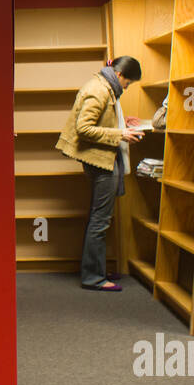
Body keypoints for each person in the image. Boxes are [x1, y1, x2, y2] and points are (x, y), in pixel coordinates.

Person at [55, 55, 144, 292]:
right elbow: (84, 128)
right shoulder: (100, 89)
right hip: (101, 162)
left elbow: (104, 117)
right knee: (100, 219)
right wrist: (121, 134)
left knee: (99, 218)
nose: (127, 87)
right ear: (121, 75)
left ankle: (97, 270)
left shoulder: (104, 85)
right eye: (129, 82)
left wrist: (123, 122)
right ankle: (94, 277)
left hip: (103, 159)